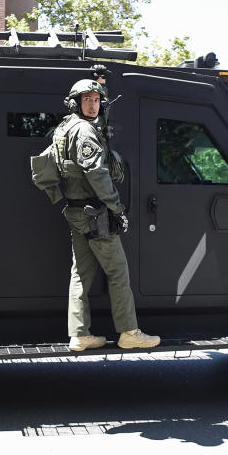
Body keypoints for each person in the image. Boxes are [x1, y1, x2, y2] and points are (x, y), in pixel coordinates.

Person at [47, 79, 160, 351]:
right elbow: (97, 173)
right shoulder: (84, 131)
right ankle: (129, 332)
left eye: (97, 100)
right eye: (87, 99)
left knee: (80, 274)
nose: (93, 104)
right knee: (118, 272)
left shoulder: (65, 127)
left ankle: (79, 334)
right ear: (75, 102)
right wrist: (116, 208)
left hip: (76, 212)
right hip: (95, 214)